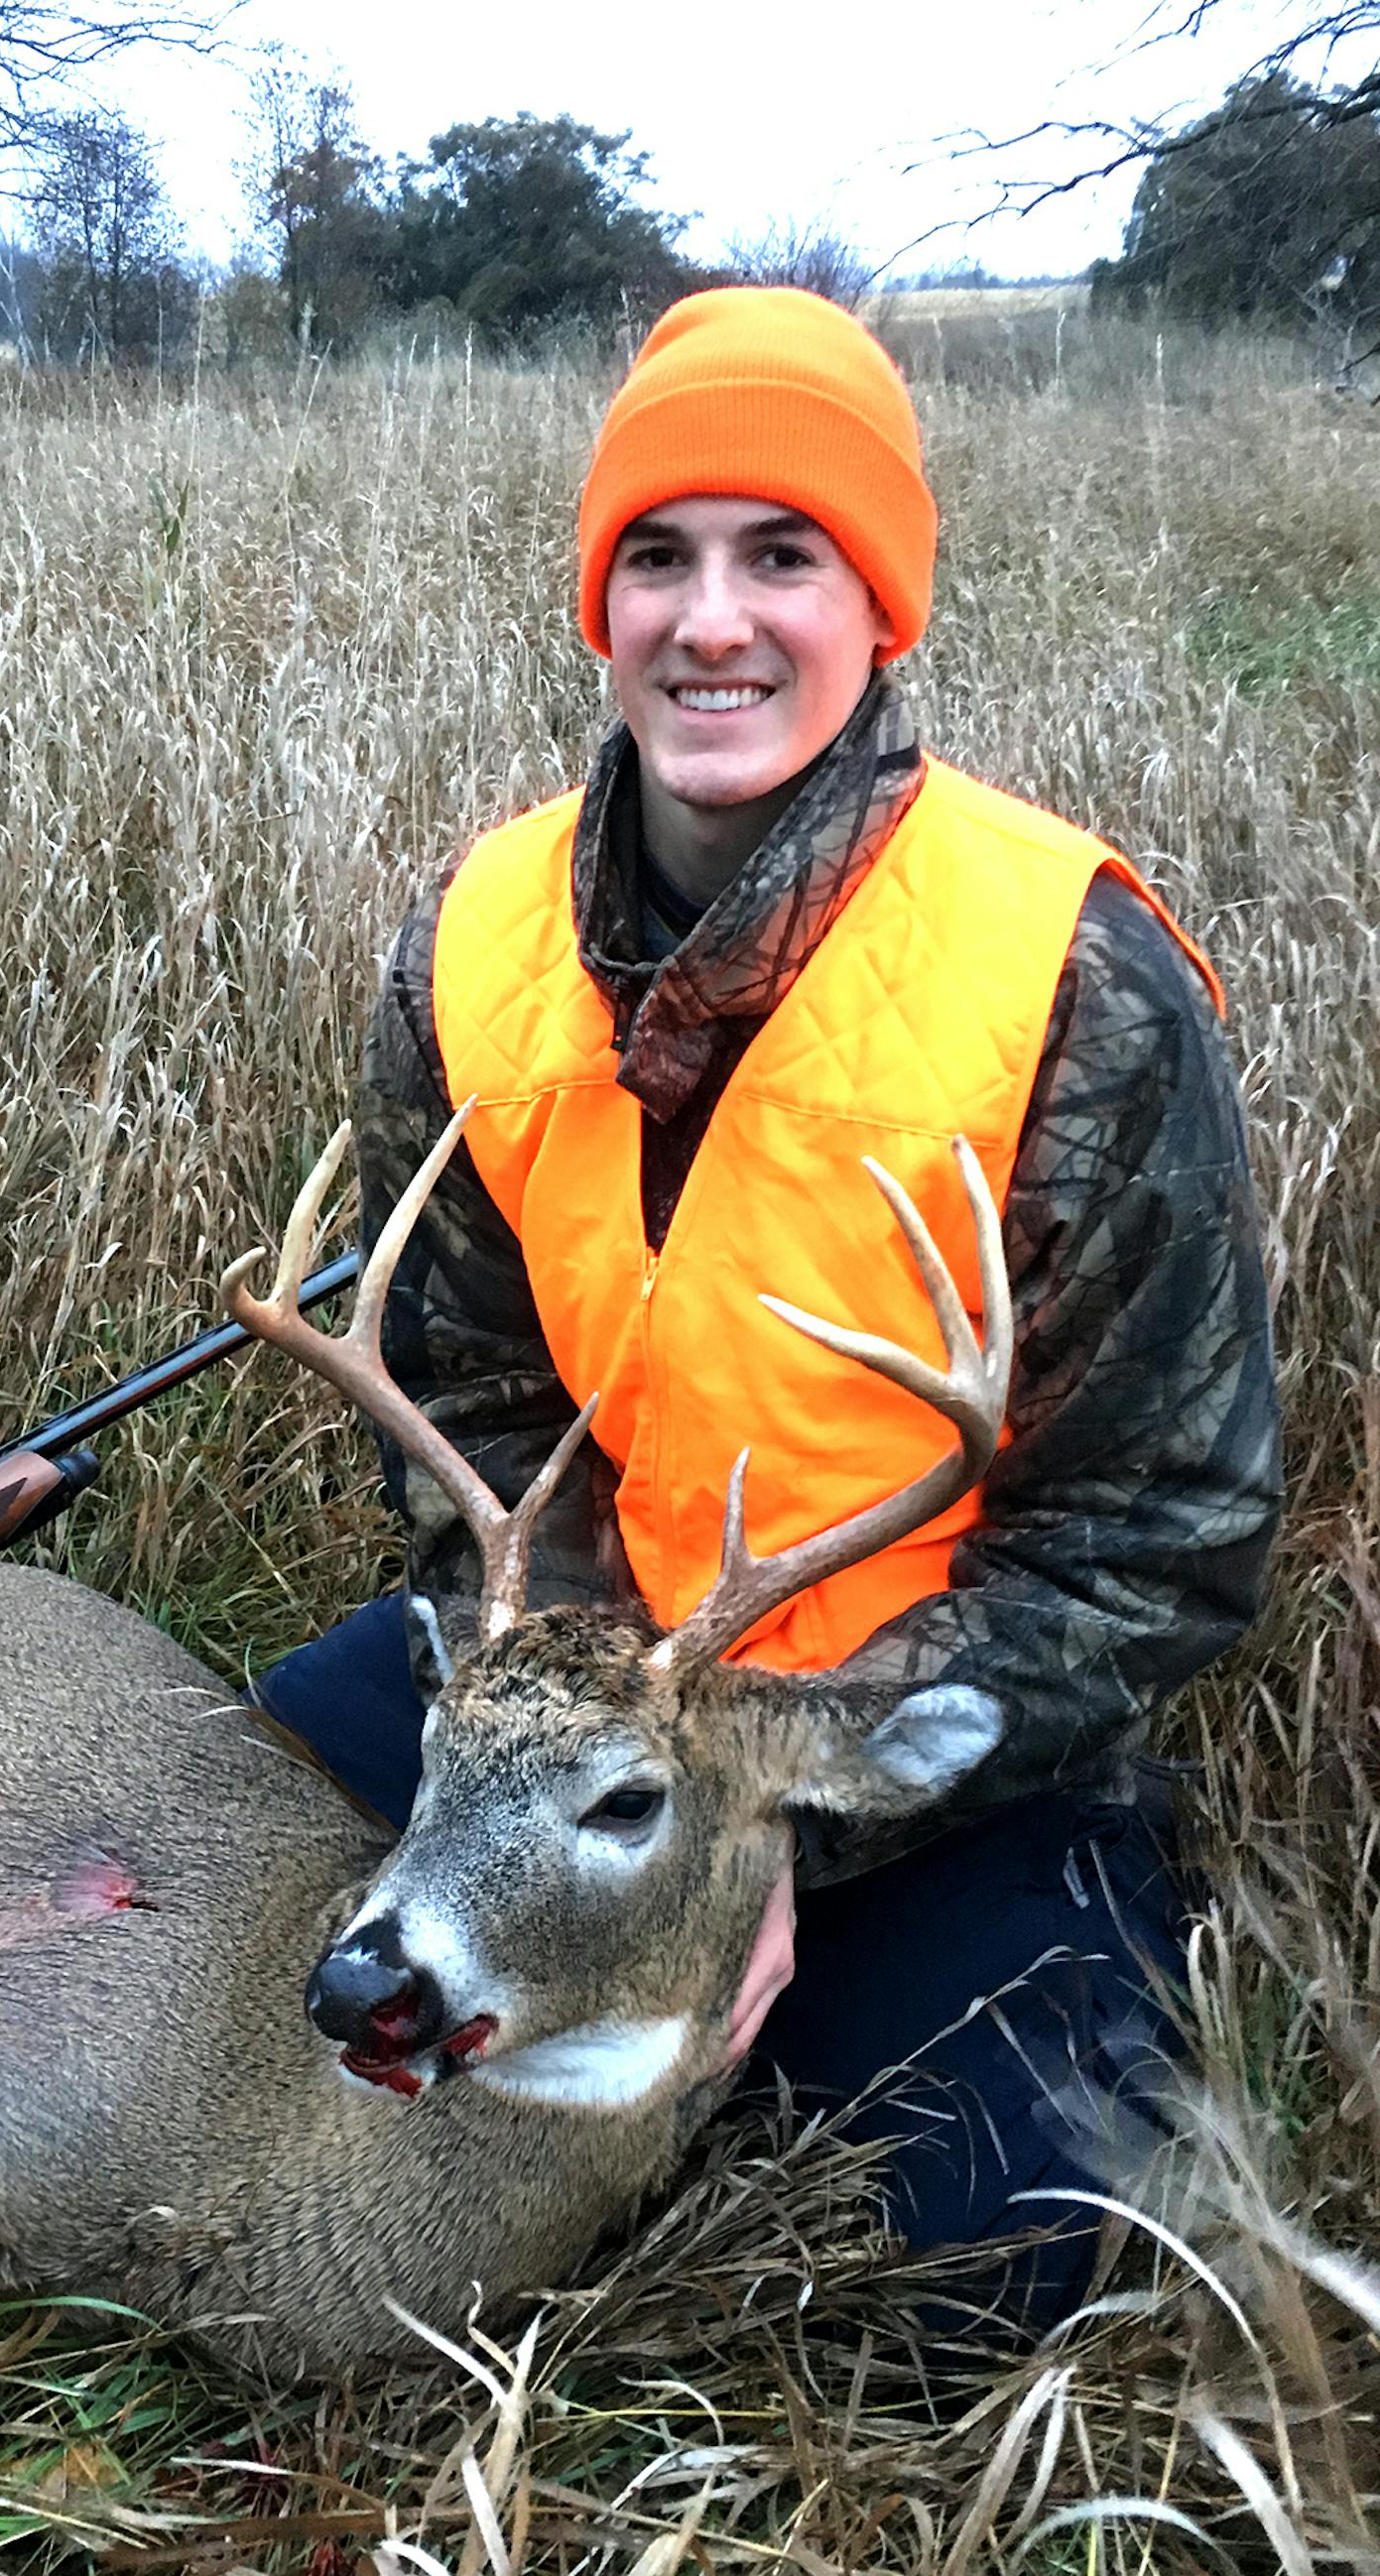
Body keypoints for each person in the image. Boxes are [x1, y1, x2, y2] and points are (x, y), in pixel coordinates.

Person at [254, 287, 1281, 2325]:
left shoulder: (1071, 976)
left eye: (782, 555)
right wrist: (572, 1740)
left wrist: (752, 1819)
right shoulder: (471, 940)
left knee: (1024, 2251)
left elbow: (1172, 1528)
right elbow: (459, 1395)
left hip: (918, 1760)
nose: (712, 621)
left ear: (878, 602)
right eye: (659, 555)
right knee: (208, 1844)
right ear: (599, 599)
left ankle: (644, 2021)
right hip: (579, 1710)